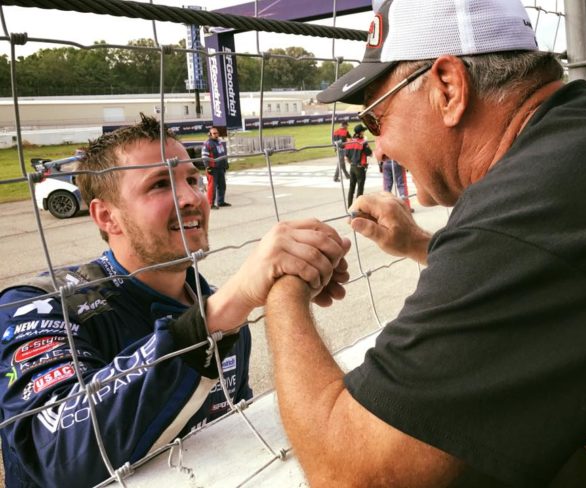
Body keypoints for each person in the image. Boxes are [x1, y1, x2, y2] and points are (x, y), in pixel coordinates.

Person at [264, 0, 586, 486]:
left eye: (375, 120)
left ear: (448, 87)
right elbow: (567, 270)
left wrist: (282, 285)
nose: (377, 146)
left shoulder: (525, 205)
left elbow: (354, 472)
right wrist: (420, 244)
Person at [0, 114, 349, 487]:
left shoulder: (214, 307)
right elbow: (57, 455)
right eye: (160, 184)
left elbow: (234, 431)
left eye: (193, 179)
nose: (192, 198)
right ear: (106, 216)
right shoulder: (38, 306)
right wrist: (219, 313)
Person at [345, 124, 373, 208]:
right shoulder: (363, 143)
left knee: (351, 188)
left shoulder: (350, 142)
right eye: (363, 131)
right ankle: (357, 208)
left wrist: (352, 164)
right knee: (360, 189)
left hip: (352, 167)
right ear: (360, 132)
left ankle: (349, 206)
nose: (364, 132)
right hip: (360, 168)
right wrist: (366, 143)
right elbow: (370, 154)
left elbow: (346, 157)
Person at [201, 126, 230, 208]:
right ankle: (210, 204)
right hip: (212, 168)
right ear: (209, 134)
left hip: (220, 167)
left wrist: (226, 163)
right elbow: (204, 156)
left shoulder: (219, 142)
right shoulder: (207, 144)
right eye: (214, 133)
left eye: (217, 133)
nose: (216, 135)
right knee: (212, 187)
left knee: (222, 186)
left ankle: (221, 202)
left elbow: (222, 154)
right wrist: (207, 167)